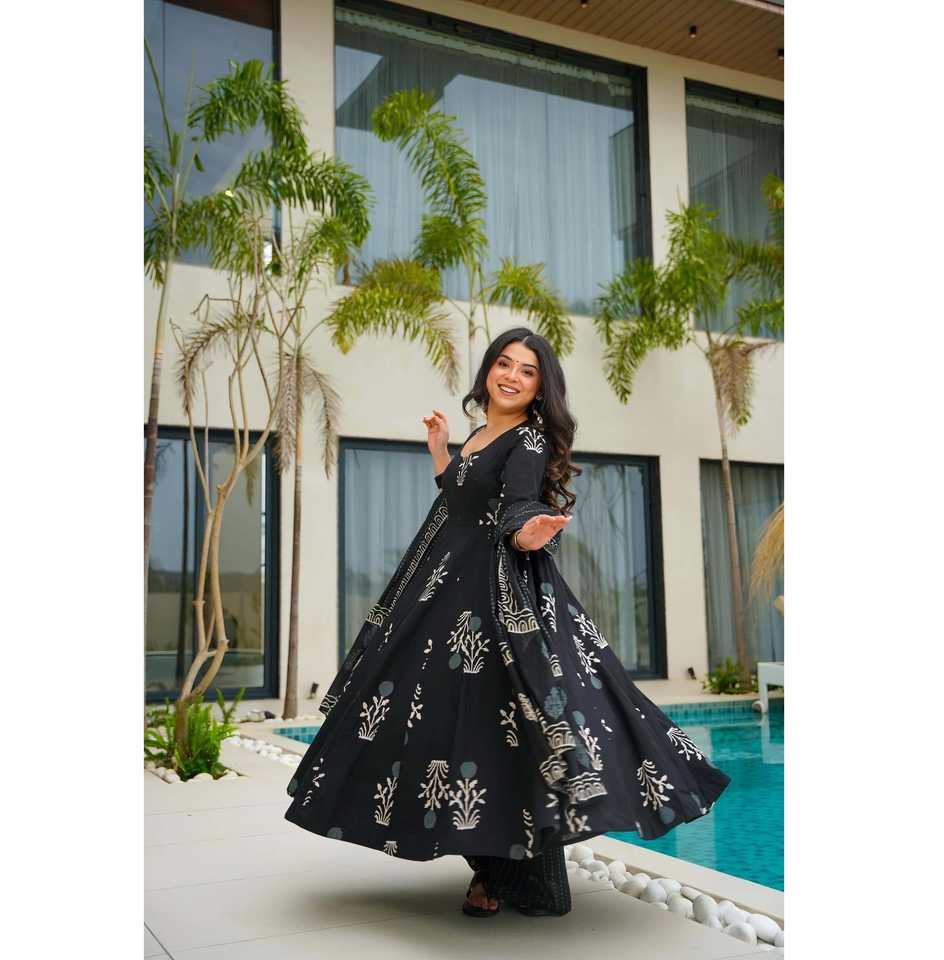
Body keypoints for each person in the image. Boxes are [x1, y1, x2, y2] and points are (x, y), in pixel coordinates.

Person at [284, 327, 731, 918]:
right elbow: (462, 497)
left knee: (503, 729)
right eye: (504, 364)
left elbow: (518, 503)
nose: (512, 376)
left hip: (493, 603)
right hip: (443, 593)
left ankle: (512, 876)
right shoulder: (480, 433)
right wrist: (442, 452)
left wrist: (528, 531)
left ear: (541, 387)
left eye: (527, 370)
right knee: (444, 726)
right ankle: (490, 865)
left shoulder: (530, 439)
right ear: (489, 371)